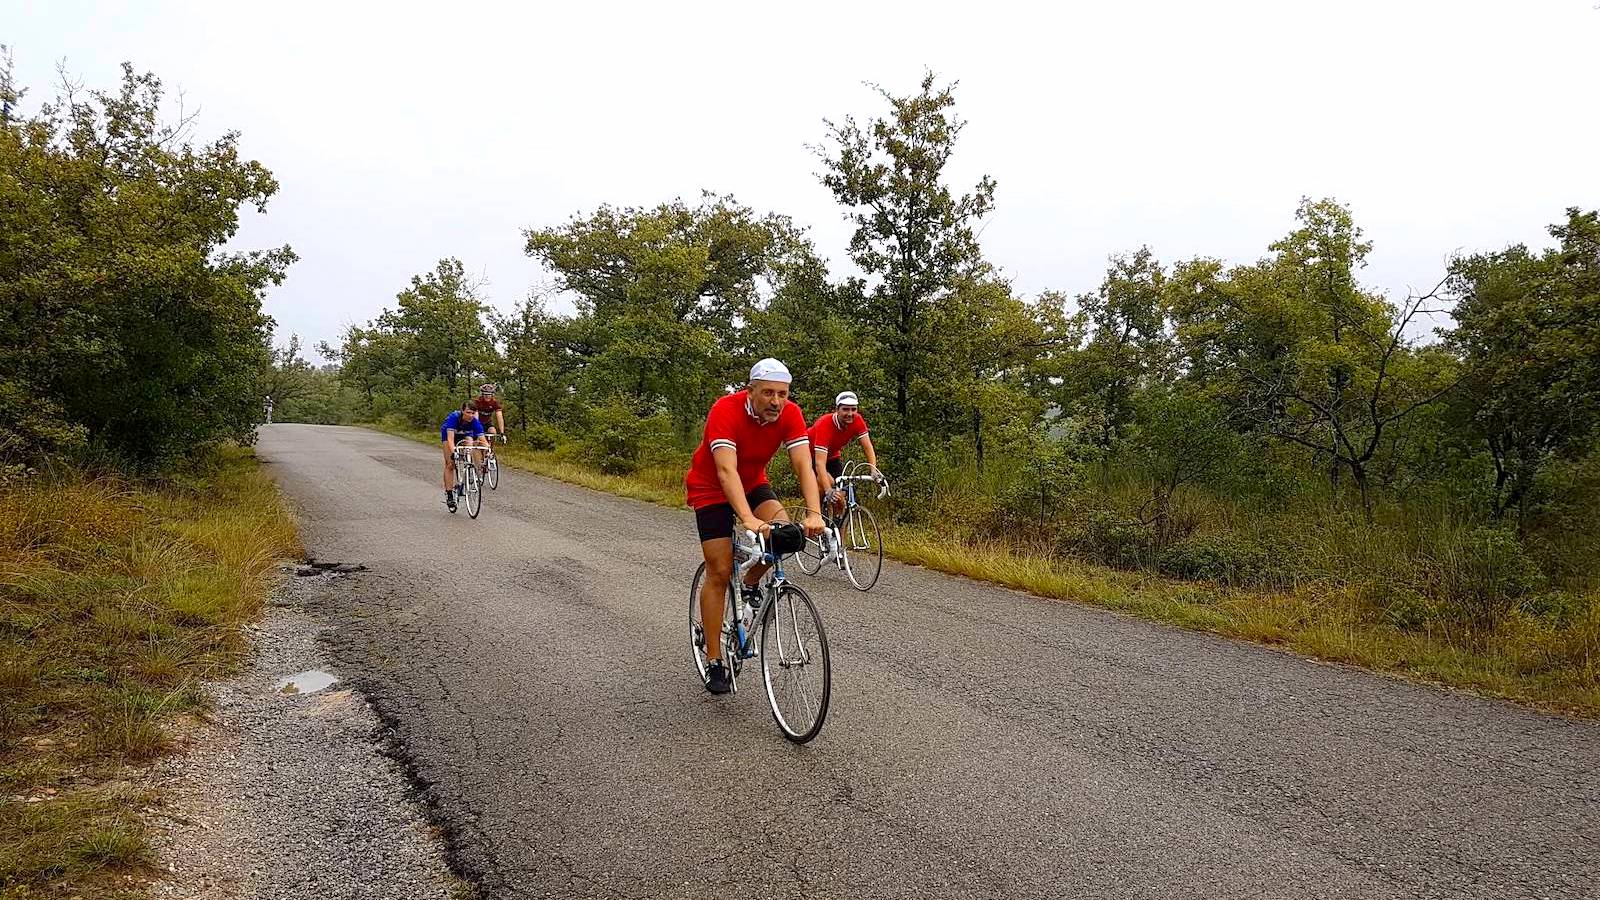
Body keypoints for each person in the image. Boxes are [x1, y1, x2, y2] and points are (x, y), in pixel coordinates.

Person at [685, 358, 825, 694]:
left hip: (753, 483)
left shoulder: (789, 413)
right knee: (719, 570)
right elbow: (725, 472)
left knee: (785, 535)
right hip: (711, 488)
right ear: (751, 392)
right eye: (768, 393)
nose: (776, 401)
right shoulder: (725, 410)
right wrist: (747, 519)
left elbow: (804, 466)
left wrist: (814, 513)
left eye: (782, 394)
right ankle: (716, 659)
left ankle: (749, 582)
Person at [809, 391, 880, 518]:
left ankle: (838, 535)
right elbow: (819, 463)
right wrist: (828, 490)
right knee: (829, 485)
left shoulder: (857, 420)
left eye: (854, 409)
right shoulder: (824, 424)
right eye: (845, 409)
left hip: (832, 456)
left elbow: (868, 447)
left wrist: (873, 469)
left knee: (842, 497)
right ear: (837, 409)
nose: (850, 413)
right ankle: (814, 516)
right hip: (810, 457)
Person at [439, 402, 486, 512]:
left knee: (470, 444)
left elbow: (482, 439)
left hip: (464, 434)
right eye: (468, 412)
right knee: (450, 464)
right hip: (449, 435)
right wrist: (454, 452)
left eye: (473, 413)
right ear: (462, 411)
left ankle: (467, 466)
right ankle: (449, 494)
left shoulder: (474, 421)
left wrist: (488, 450)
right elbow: (450, 439)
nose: (470, 415)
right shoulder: (453, 417)